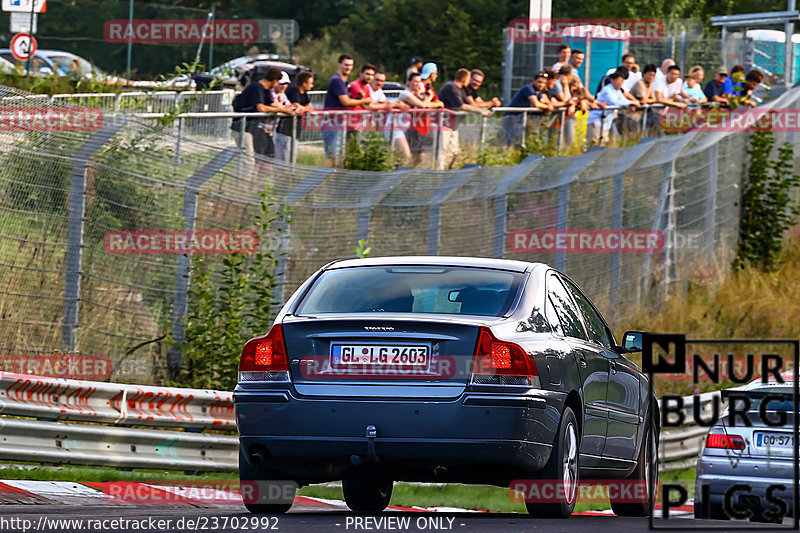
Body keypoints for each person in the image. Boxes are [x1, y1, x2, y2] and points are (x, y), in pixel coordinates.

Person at [436, 68, 493, 169]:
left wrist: (486, 108)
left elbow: (471, 104)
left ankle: (448, 171)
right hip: (443, 123)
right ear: (464, 79)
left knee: (455, 152)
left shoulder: (461, 89)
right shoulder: (451, 87)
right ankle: (438, 174)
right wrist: (481, 111)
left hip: (453, 125)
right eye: (469, 78)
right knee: (442, 151)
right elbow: (462, 106)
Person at [323, 53, 372, 165]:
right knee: (331, 157)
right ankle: (314, 181)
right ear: (339, 64)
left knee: (337, 158)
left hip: (338, 123)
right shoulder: (337, 81)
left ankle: (331, 181)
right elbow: (345, 102)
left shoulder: (344, 82)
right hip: (331, 122)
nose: (348, 67)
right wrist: (364, 100)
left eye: (350, 65)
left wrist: (357, 98)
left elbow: (348, 103)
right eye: (346, 65)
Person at [233, 67, 289, 158]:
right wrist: (283, 110)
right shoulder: (256, 87)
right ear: (275, 81)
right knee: (248, 158)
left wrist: (287, 109)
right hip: (241, 127)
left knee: (254, 157)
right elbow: (261, 108)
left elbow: (273, 104)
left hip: (250, 128)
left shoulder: (266, 91)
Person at [399, 72, 443, 167]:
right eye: (415, 81)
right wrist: (430, 96)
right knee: (413, 155)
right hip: (403, 127)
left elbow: (434, 104)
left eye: (419, 82)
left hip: (415, 128)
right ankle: (404, 171)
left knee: (417, 155)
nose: (417, 84)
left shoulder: (418, 94)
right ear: (409, 82)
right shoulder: (405, 93)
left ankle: (408, 171)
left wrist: (428, 100)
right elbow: (423, 105)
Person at [586, 70, 640, 146]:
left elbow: (622, 100)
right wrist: (631, 102)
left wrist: (632, 102)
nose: (621, 83)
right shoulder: (607, 90)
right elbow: (615, 102)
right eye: (620, 80)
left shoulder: (617, 91)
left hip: (606, 122)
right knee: (593, 143)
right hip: (596, 121)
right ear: (613, 80)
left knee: (603, 144)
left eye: (622, 81)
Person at [369, 70, 411, 163]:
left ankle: (396, 174)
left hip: (387, 126)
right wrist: (396, 105)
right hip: (371, 128)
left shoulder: (379, 91)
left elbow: (387, 103)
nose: (379, 83)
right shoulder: (367, 89)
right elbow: (371, 106)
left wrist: (396, 104)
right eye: (377, 80)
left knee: (403, 156)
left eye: (382, 81)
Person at [502, 71, 553, 147]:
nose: (541, 85)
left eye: (544, 83)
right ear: (533, 81)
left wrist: (547, 103)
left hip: (520, 119)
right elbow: (536, 104)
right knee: (512, 143)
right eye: (539, 82)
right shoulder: (528, 89)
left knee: (522, 142)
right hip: (511, 118)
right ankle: (507, 157)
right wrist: (547, 107)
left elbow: (545, 101)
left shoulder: (538, 92)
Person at [279, 70, 314, 164]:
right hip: (285, 131)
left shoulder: (304, 93)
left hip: (294, 131)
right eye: (310, 83)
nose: (312, 86)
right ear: (304, 84)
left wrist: (304, 108)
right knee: (284, 162)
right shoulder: (294, 90)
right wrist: (303, 108)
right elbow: (297, 107)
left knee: (292, 160)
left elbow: (310, 108)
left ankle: (289, 177)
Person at [271, 71, 297, 163]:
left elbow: (289, 105)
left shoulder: (282, 95)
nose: (284, 86)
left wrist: (292, 108)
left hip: (272, 129)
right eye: (281, 83)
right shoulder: (270, 93)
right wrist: (284, 109)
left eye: (286, 84)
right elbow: (273, 106)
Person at [628, 63, 658, 134]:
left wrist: (649, 100)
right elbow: (643, 100)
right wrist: (650, 100)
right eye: (649, 75)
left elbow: (654, 99)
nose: (651, 77)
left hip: (641, 114)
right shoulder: (640, 83)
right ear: (644, 74)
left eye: (653, 75)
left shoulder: (651, 84)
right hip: (631, 115)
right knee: (633, 135)